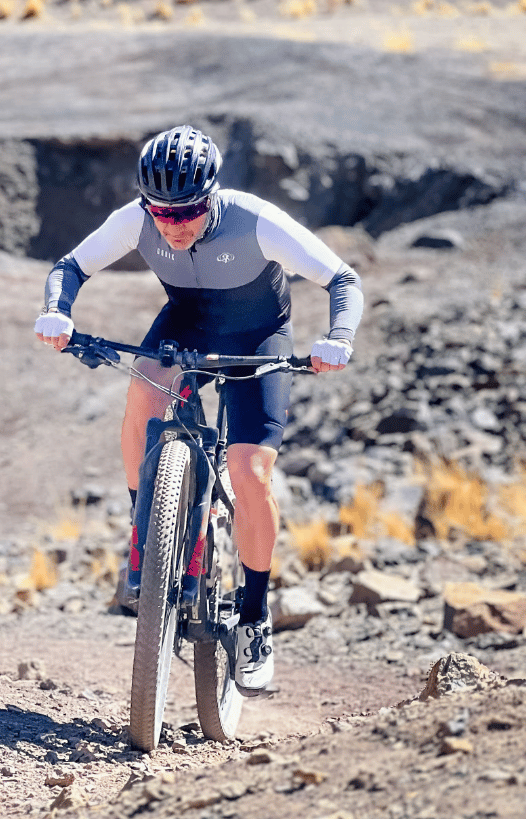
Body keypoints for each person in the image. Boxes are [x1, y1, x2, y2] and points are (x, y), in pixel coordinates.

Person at [33, 125, 363, 695]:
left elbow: (342, 279)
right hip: (185, 323)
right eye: (160, 212)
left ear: (211, 197)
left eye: (186, 212)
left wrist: (339, 337)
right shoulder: (137, 219)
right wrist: (57, 313)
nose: (171, 224)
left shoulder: (254, 220)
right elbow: (70, 267)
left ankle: (256, 619)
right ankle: (147, 535)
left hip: (258, 336)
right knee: (143, 397)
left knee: (249, 472)